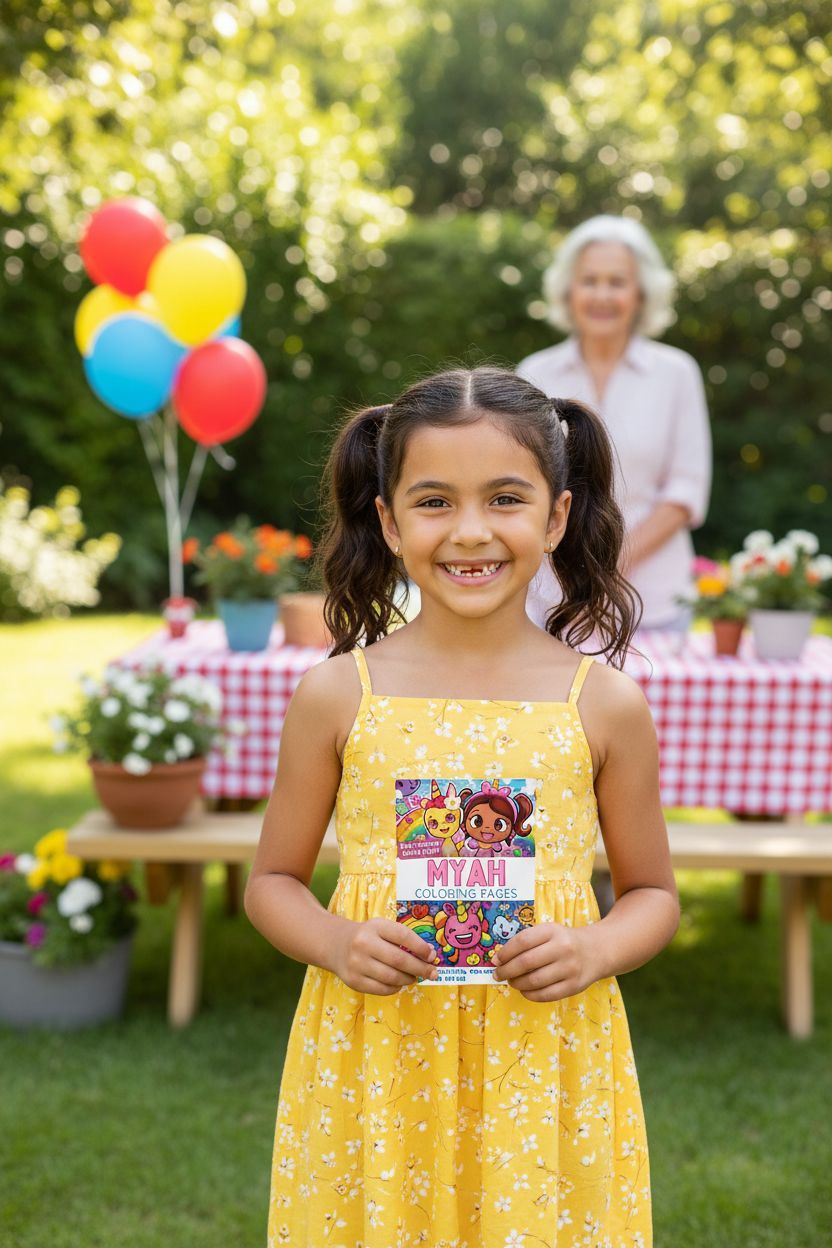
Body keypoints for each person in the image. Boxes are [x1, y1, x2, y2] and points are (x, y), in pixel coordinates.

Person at [245, 367, 679, 1247]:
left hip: (544, 1058)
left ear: (556, 517)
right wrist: (334, 940)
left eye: (506, 498)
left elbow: (654, 897)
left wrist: (595, 946)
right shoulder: (337, 696)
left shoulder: (603, 705)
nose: (470, 531)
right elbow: (272, 882)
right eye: (434, 501)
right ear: (389, 520)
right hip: (376, 1055)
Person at [517, 214, 712, 634]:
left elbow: (686, 490)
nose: (602, 294)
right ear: (568, 291)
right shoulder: (535, 371)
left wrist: (607, 565)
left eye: (617, 282)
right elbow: (519, 481)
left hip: (653, 602)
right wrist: (577, 576)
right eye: (590, 280)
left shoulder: (677, 372)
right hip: (554, 597)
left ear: (641, 294)